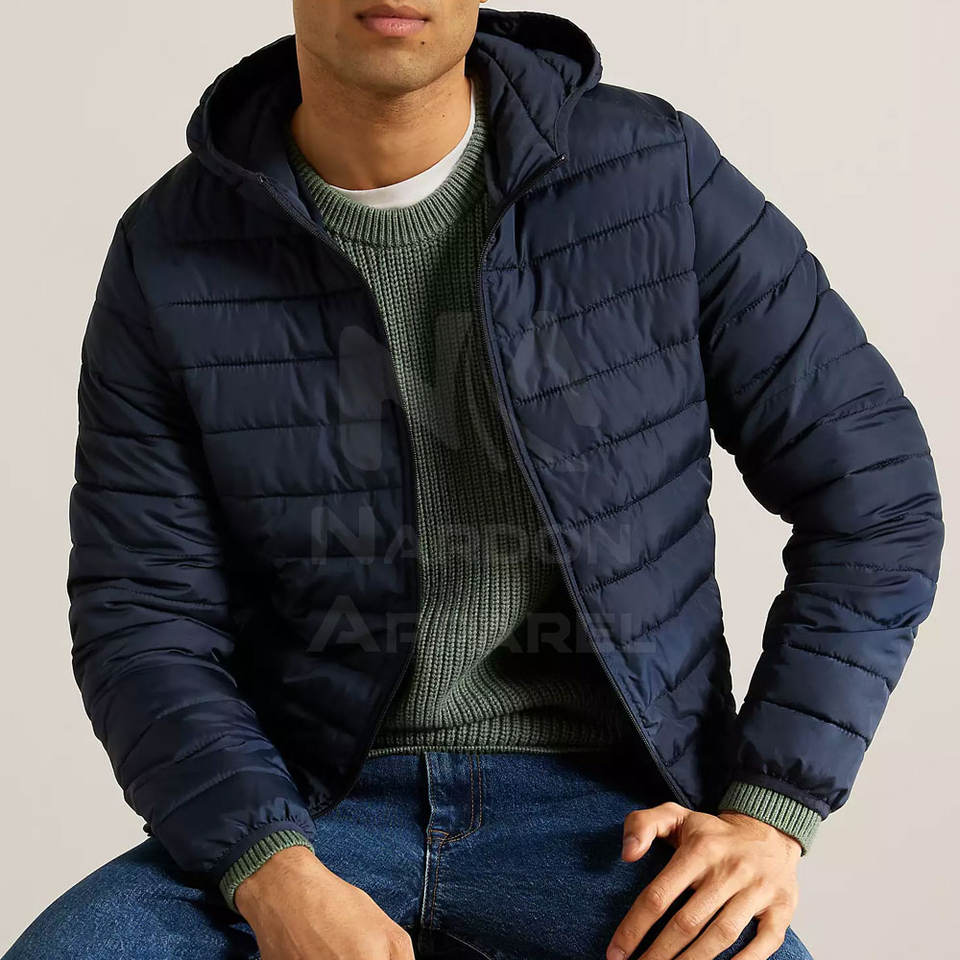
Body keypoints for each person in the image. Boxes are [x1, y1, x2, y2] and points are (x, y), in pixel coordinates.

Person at [4, 3, 943, 959]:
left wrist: (768, 812)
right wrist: (273, 874)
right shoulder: (170, 248)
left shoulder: (652, 173)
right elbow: (142, 614)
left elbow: (877, 498)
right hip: (306, 809)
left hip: (612, 815)